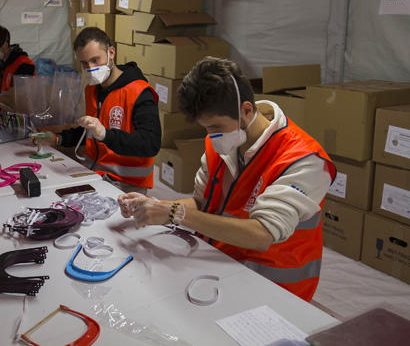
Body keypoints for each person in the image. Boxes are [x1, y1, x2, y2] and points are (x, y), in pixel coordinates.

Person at [118, 57, 335, 301]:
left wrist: (175, 213)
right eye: (206, 128)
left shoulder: (304, 160)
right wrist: (159, 207)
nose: (211, 135)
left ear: (246, 110)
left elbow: (262, 234)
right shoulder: (222, 143)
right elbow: (203, 203)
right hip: (222, 267)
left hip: (276, 291)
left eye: (216, 126)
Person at [48, 27, 161, 193]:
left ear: (111, 53)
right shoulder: (92, 90)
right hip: (95, 174)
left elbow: (151, 143)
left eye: (95, 60)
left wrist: (105, 135)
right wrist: (58, 139)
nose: (91, 67)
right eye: (84, 63)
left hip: (128, 184)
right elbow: (90, 132)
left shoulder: (139, 92)